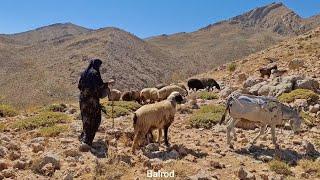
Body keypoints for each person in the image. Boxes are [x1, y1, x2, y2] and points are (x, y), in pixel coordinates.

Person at [78, 59, 109, 146]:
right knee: (95, 119)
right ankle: (88, 141)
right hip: (92, 101)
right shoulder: (95, 73)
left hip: (82, 100)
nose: (99, 67)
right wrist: (108, 84)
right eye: (99, 65)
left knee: (86, 119)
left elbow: (79, 86)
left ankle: (84, 137)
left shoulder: (84, 73)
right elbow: (99, 86)